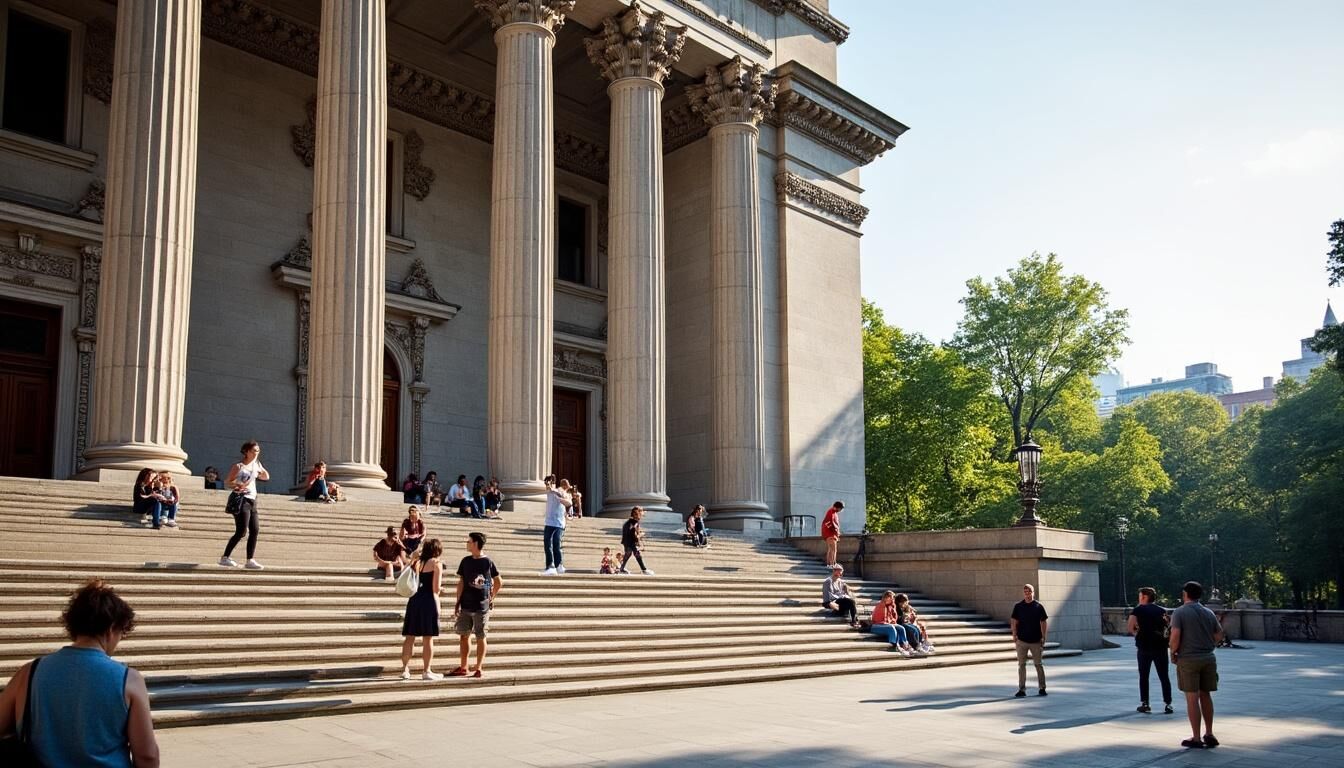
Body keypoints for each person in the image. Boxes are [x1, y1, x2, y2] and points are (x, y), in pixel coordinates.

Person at [0, 579, 160, 767]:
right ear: (111, 629)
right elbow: (147, 755)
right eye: (121, 633)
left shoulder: (29, 672)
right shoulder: (128, 680)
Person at [1170, 580, 1224, 749]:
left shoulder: (1180, 612)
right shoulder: (1208, 612)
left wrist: (1173, 652)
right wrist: (1208, 645)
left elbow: (1175, 635)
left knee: (1192, 698)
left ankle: (1196, 737)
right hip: (1208, 657)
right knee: (1205, 695)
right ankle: (1209, 733)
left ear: (1185, 594)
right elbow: (1219, 634)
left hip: (1188, 659)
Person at [449, 531, 502, 678]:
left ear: (476, 544)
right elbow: (461, 582)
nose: (467, 543)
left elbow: (499, 581)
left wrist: (491, 597)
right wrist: (457, 602)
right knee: (464, 636)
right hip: (466, 604)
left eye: (469, 541)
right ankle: (464, 666)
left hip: (481, 606)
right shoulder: (465, 561)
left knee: (480, 636)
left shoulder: (488, 562)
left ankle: (479, 667)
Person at [399, 538, 444, 680]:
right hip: (428, 601)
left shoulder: (418, 562)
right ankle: (426, 670)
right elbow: (435, 589)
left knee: (409, 637)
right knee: (427, 638)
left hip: (414, 600)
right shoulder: (436, 564)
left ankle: (405, 669)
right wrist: (441, 590)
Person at [219, 440, 269, 570]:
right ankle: (225, 557)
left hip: (253, 500)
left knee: (255, 530)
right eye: (254, 450)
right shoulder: (239, 466)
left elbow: (266, 477)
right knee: (241, 531)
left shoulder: (257, 464)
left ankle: (250, 560)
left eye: (258, 450)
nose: (256, 453)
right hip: (242, 499)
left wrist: (260, 470)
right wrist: (237, 485)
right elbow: (227, 482)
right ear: (246, 451)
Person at [1128, 586, 1173, 715]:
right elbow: (1167, 627)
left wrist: (1138, 634)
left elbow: (1130, 628)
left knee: (1144, 676)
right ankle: (1168, 703)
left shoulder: (1137, 610)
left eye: (1140, 596)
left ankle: (1145, 703)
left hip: (1144, 647)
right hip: (1160, 647)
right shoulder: (1162, 610)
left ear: (1144, 597)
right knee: (1164, 676)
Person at [1010, 583, 1048, 697]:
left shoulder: (1038, 606)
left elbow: (1043, 622)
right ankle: (1022, 689)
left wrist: (1044, 636)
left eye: (1029, 592)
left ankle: (1042, 688)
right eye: (1025, 592)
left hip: (1036, 641)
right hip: (1022, 641)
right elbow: (1014, 621)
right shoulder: (1018, 606)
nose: (1027, 594)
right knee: (1021, 665)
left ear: (1033, 593)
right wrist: (1014, 635)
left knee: (1038, 664)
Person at [869, 590, 920, 657]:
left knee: (901, 628)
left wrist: (893, 607)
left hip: (885, 624)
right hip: (876, 625)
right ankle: (894, 646)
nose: (893, 600)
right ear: (886, 597)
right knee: (891, 628)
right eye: (891, 598)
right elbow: (880, 620)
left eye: (893, 598)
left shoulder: (890, 606)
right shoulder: (881, 605)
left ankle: (905, 645)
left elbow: (893, 619)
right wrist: (890, 622)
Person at [540, 476, 571, 574]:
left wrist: (560, 499)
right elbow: (549, 488)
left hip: (559, 523)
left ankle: (559, 565)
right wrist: (549, 485)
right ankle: (550, 566)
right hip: (549, 522)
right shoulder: (551, 491)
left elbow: (568, 503)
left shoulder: (564, 493)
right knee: (547, 544)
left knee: (556, 543)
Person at [619, 506, 655, 575]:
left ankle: (622, 569)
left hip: (627, 541)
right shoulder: (634, 522)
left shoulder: (630, 522)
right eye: (641, 512)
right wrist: (641, 535)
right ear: (637, 514)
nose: (642, 514)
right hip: (631, 542)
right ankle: (644, 570)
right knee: (637, 555)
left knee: (628, 554)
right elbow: (633, 533)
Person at [821, 500, 843, 567]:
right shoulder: (831, 512)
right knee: (834, 549)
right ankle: (832, 564)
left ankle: (829, 564)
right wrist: (836, 532)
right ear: (838, 507)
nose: (840, 510)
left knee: (830, 549)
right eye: (840, 508)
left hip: (830, 533)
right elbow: (830, 523)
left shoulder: (832, 512)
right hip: (831, 533)